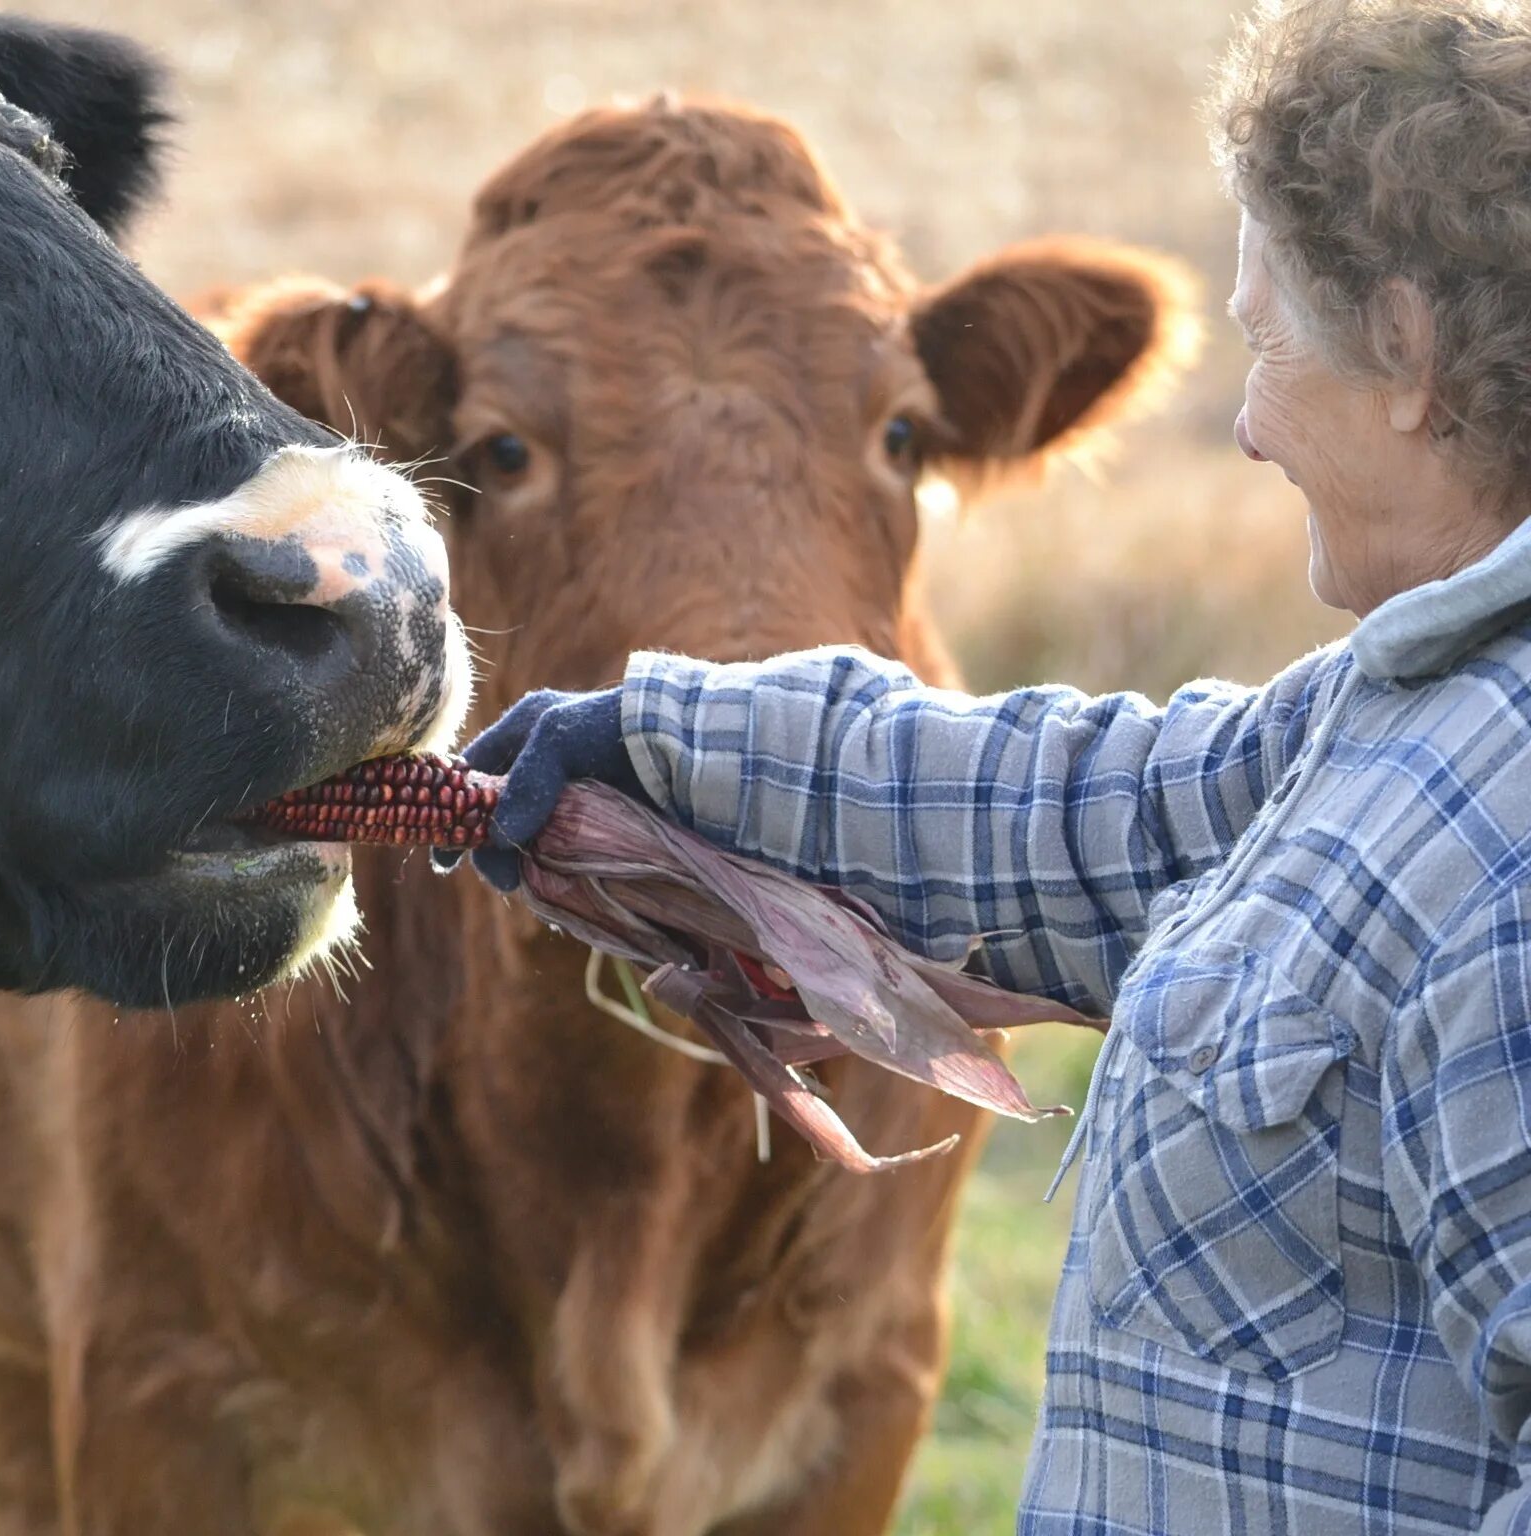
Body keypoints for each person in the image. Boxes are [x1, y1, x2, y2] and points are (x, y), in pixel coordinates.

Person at [447, 1, 1531, 1529]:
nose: (1244, 425)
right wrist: (671, 736)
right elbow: (1112, 809)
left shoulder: (1513, 845)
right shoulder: (1410, 710)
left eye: (1268, 335)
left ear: (1411, 355)